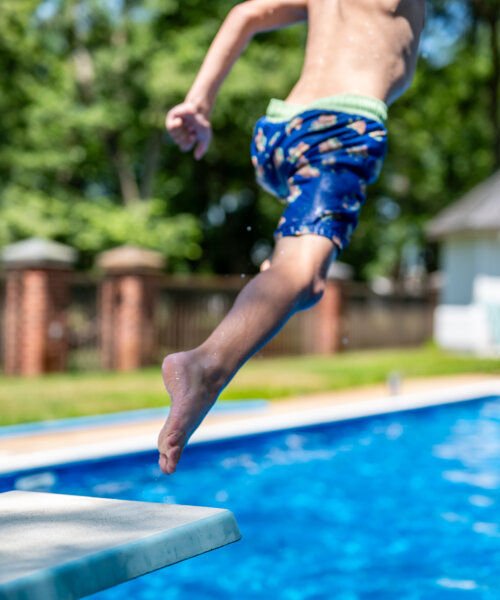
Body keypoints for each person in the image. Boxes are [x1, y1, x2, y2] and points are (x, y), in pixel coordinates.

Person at [158, 0, 426, 474]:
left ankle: (275, 282)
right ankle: (203, 368)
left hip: (281, 132)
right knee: (301, 278)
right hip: (341, 127)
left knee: (301, 281)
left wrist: (200, 100)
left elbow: (246, 14)